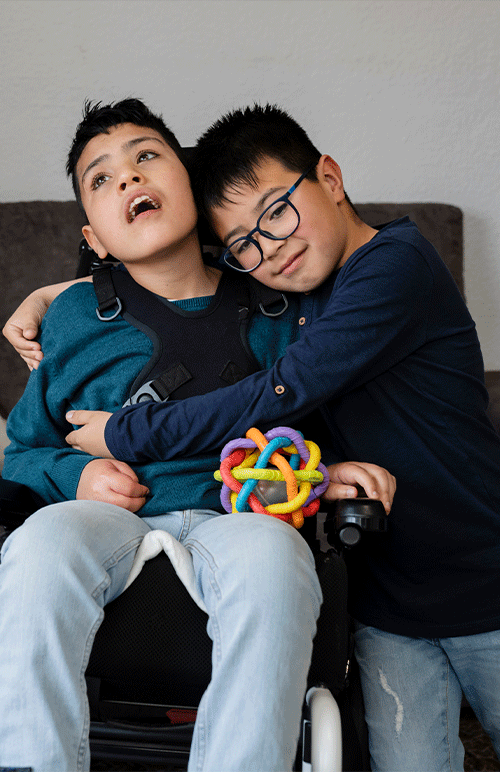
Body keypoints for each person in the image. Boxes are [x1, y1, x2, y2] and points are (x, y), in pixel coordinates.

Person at [7, 102, 500, 771]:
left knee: (274, 555)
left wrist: (323, 468)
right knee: (38, 544)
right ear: (94, 236)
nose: (126, 178)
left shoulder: (299, 296)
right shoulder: (78, 317)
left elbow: (296, 407)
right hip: (112, 520)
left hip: (273, 525)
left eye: (148, 157)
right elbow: (25, 450)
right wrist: (74, 472)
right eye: (102, 178)